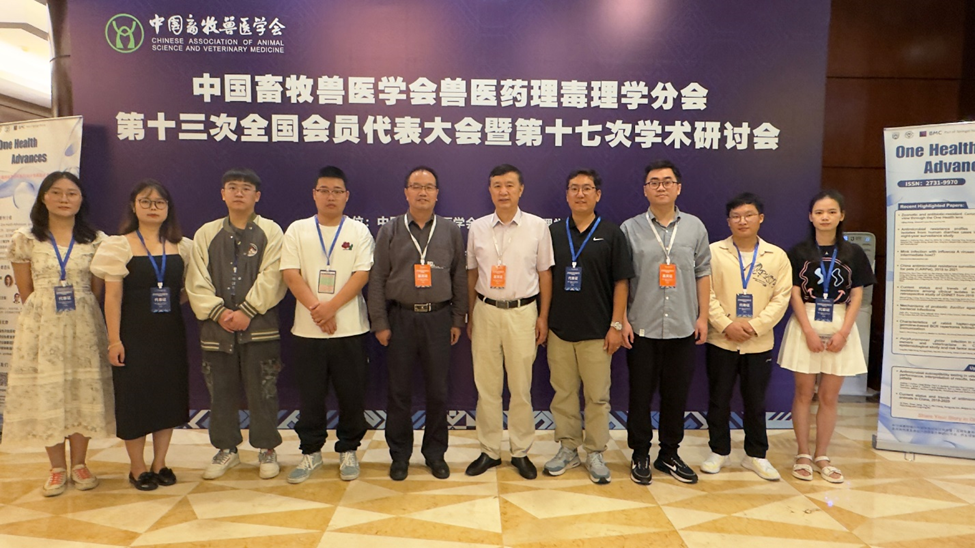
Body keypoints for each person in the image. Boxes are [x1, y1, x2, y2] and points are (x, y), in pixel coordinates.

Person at [3, 171, 113, 497]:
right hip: (42, 325)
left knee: (80, 389)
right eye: (57, 192)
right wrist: (47, 313)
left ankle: (79, 464)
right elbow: (25, 290)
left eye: (71, 193)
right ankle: (56, 468)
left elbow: (96, 290)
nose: (64, 199)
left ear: (81, 200)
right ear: (44, 198)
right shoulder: (26, 238)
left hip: (84, 323)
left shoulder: (96, 240)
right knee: (49, 391)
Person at [186, 168, 287, 480]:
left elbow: (274, 276)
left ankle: (266, 448)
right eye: (232, 187)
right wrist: (218, 312)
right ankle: (226, 448)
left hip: (260, 328)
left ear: (257, 196)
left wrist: (247, 310)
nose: (239, 193)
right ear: (223, 194)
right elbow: (196, 279)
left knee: (263, 392)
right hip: (217, 330)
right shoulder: (206, 233)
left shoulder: (271, 231)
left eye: (246, 188)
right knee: (220, 393)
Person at [91, 179, 193, 491]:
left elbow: (188, 290)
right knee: (134, 401)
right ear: (134, 206)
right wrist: (114, 340)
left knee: (167, 398)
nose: (152, 208)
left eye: (159, 202)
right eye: (145, 202)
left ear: (168, 208)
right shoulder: (118, 245)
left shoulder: (183, 246)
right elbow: (112, 297)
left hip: (169, 334)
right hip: (132, 336)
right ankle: (137, 467)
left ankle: (160, 463)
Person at [369, 166, 467, 481]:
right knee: (399, 392)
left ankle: (435, 454)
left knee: (438, 391)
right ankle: (400, 456)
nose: (422, 192)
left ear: (437, 193)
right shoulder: (390, 230)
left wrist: (457, 318)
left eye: (428, 187)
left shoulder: (450, 230)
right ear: (406, 192)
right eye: (416, 186)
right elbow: (377, 278)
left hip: (439, 319)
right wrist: (380, 322)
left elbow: (459, 276)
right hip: (400, 318)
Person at [280, 166, 374, 483]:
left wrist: (331, 308)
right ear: (314, 194)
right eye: (324, 190)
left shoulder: (359, 231)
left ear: (346, 196)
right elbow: (290, 274)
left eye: (336, 191)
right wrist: (317, 309)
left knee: (351, 395)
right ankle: (311, 452)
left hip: (350, 329)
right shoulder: (297, 230)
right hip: (308, 332)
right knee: (310, 396)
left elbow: (362, 274)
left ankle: (348, 449)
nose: (330, 196)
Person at [621, 159, 711, 485]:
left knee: (676, 395)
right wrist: (622, 320)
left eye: (667, 181)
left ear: (678, 188)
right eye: (654, 182)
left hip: (683, 327)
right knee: (640, 396)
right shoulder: (629, 229)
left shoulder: (695, 228)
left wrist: (703, 317)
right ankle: (640, 453)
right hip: (641, 326)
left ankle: (669, 453)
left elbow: (703, 272)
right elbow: (622, 279)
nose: (661, 187)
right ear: (645, 189)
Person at [779, 189, 874, 484]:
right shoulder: (798, 252)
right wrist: (807, 330)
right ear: (810, 216)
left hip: (840, 322)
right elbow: (794, 293)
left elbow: (857, 295)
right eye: (819, 212)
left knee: (829, 396)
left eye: (832, 212)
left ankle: (822, 455)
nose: (825, 217)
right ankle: (803, 454)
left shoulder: (853, 253)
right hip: (804, 321)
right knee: (803, 393)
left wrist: (844, 332)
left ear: (841, 215)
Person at [543, 168, 632, 484]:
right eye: (574, 188)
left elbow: (622, 282)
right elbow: (544, 278)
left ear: (598, 194)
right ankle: (568, 448)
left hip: (598, 332)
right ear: (567, 194)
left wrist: (616, 325)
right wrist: (544, 320)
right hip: (559, 330)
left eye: (586, 188)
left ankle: (595, 451)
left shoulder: (611, 233)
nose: (580, 194)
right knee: (563, 394)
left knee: (597, 397)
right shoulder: (553, 233)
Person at [465, 164, 553, 480]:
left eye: (509, 185)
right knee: (486, 386)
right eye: (497, 185)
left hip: (523, 312)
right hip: (485, 311)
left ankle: (520, 451)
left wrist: (543, 316)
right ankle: (489, 450)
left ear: (521, 189)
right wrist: (471, 314)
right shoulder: (477, 227)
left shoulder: (537, 227)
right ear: (490, 190)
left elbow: (545, 274)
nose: (503, 191)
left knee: (520, 387)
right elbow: (471, 273)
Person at [701, 193, 791, 481]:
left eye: (749, 215)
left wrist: (754, 326)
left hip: (758, 342)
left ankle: (756, 454)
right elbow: (705, 293)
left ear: (760, 218)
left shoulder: (776, 256)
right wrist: (726, 324)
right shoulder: (713, 252)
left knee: (756, 401)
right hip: (721, 339)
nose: (742, 221)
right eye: (736, 216)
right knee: (719, 398)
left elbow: (782, 298)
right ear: (728, 221)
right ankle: (718, 451)